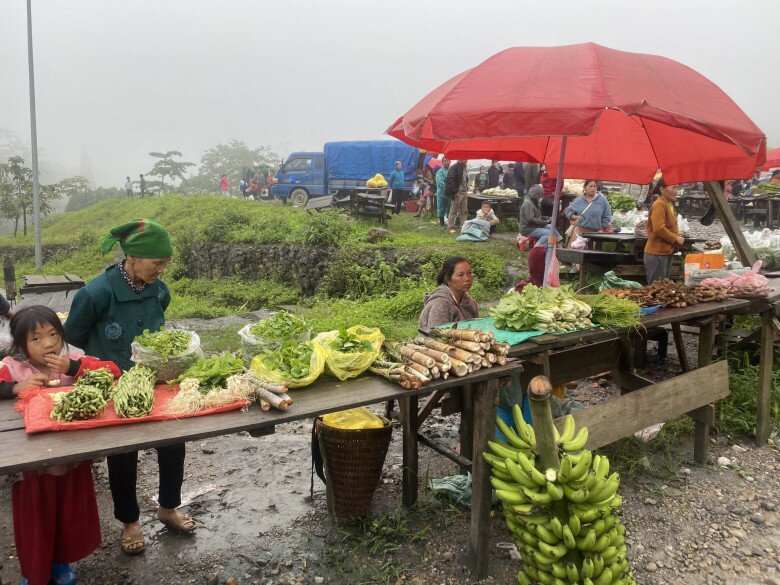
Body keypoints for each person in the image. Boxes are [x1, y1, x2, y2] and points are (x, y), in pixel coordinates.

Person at [64, 220, 196, 556]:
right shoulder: (96, 293)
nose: (162, 269)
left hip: (155, 382)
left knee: (172, 444)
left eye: (166, 262)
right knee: (122, 455)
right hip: (114, 387)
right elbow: (72, 340)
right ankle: (130, 522)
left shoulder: (160, 290)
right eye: (157, 262)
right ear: (134, 257)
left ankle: (167, 508)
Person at [1, 306, 121, 585]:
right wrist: (15, 388)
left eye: (54, 334)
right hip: (32, 469)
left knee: (66, 515)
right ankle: (33, 573)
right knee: (36, 520)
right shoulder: (13, 368)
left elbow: (113, 371)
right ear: (21, 344)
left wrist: (74, 368)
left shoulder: (73, 361)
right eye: (36, 338)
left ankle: (60, 564)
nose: (49, 343)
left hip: (72, 460)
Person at [418, 256, 479, 335]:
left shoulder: (469, 302)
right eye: (460, 275)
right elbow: (437, 337)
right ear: (448, 279)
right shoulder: (440, 304)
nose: (467, 278)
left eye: (469, 273)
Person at [644, 178, 683, 283]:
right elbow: (658, 228)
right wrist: (675, 238)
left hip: (665, 252)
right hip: (656, 254)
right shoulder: (659, 204)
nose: (676, 191)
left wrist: (677, 234)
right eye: (673, 187)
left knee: (663, 288)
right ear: (662, 189)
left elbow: (669, 225)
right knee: (656, 290)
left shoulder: (668, 204)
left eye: (677, 188)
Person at [564, 179, 613, 245]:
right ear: (585, 188)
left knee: (592, 254)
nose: (593, 188)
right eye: (590, 186)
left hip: (595, 234)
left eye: (595, 187)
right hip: (579, 233)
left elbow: (607, 215)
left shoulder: (602, 200)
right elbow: (568, 211)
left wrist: (602, 227)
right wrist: (574, 216)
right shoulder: (579, 200)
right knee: (577, 254)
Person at [446, 159, 469, 234]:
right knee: (454, 210)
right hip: (458, 193)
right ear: (459, 159)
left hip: (464, 192)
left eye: (467, 158)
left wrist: (467, 188)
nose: (466, 160)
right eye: (465, 158)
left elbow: (465, 179)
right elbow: (450, 180)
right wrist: (455, 191)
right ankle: (450, 227)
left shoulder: (464, 168)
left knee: (464, 211)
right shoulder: (454, 167)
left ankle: (463, 227)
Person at [435, 158, 451, 228]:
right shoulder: (440, 172)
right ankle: (442, 223)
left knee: (450, 207)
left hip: (450, 193)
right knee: (441, 207)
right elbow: (440, 183)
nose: (447, 162)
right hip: (442, 193)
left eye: (448, 161)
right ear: (442, 162)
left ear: (450, 161)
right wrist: (447, 189)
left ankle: (449, 222)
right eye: (445, 161)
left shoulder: (451, 170)